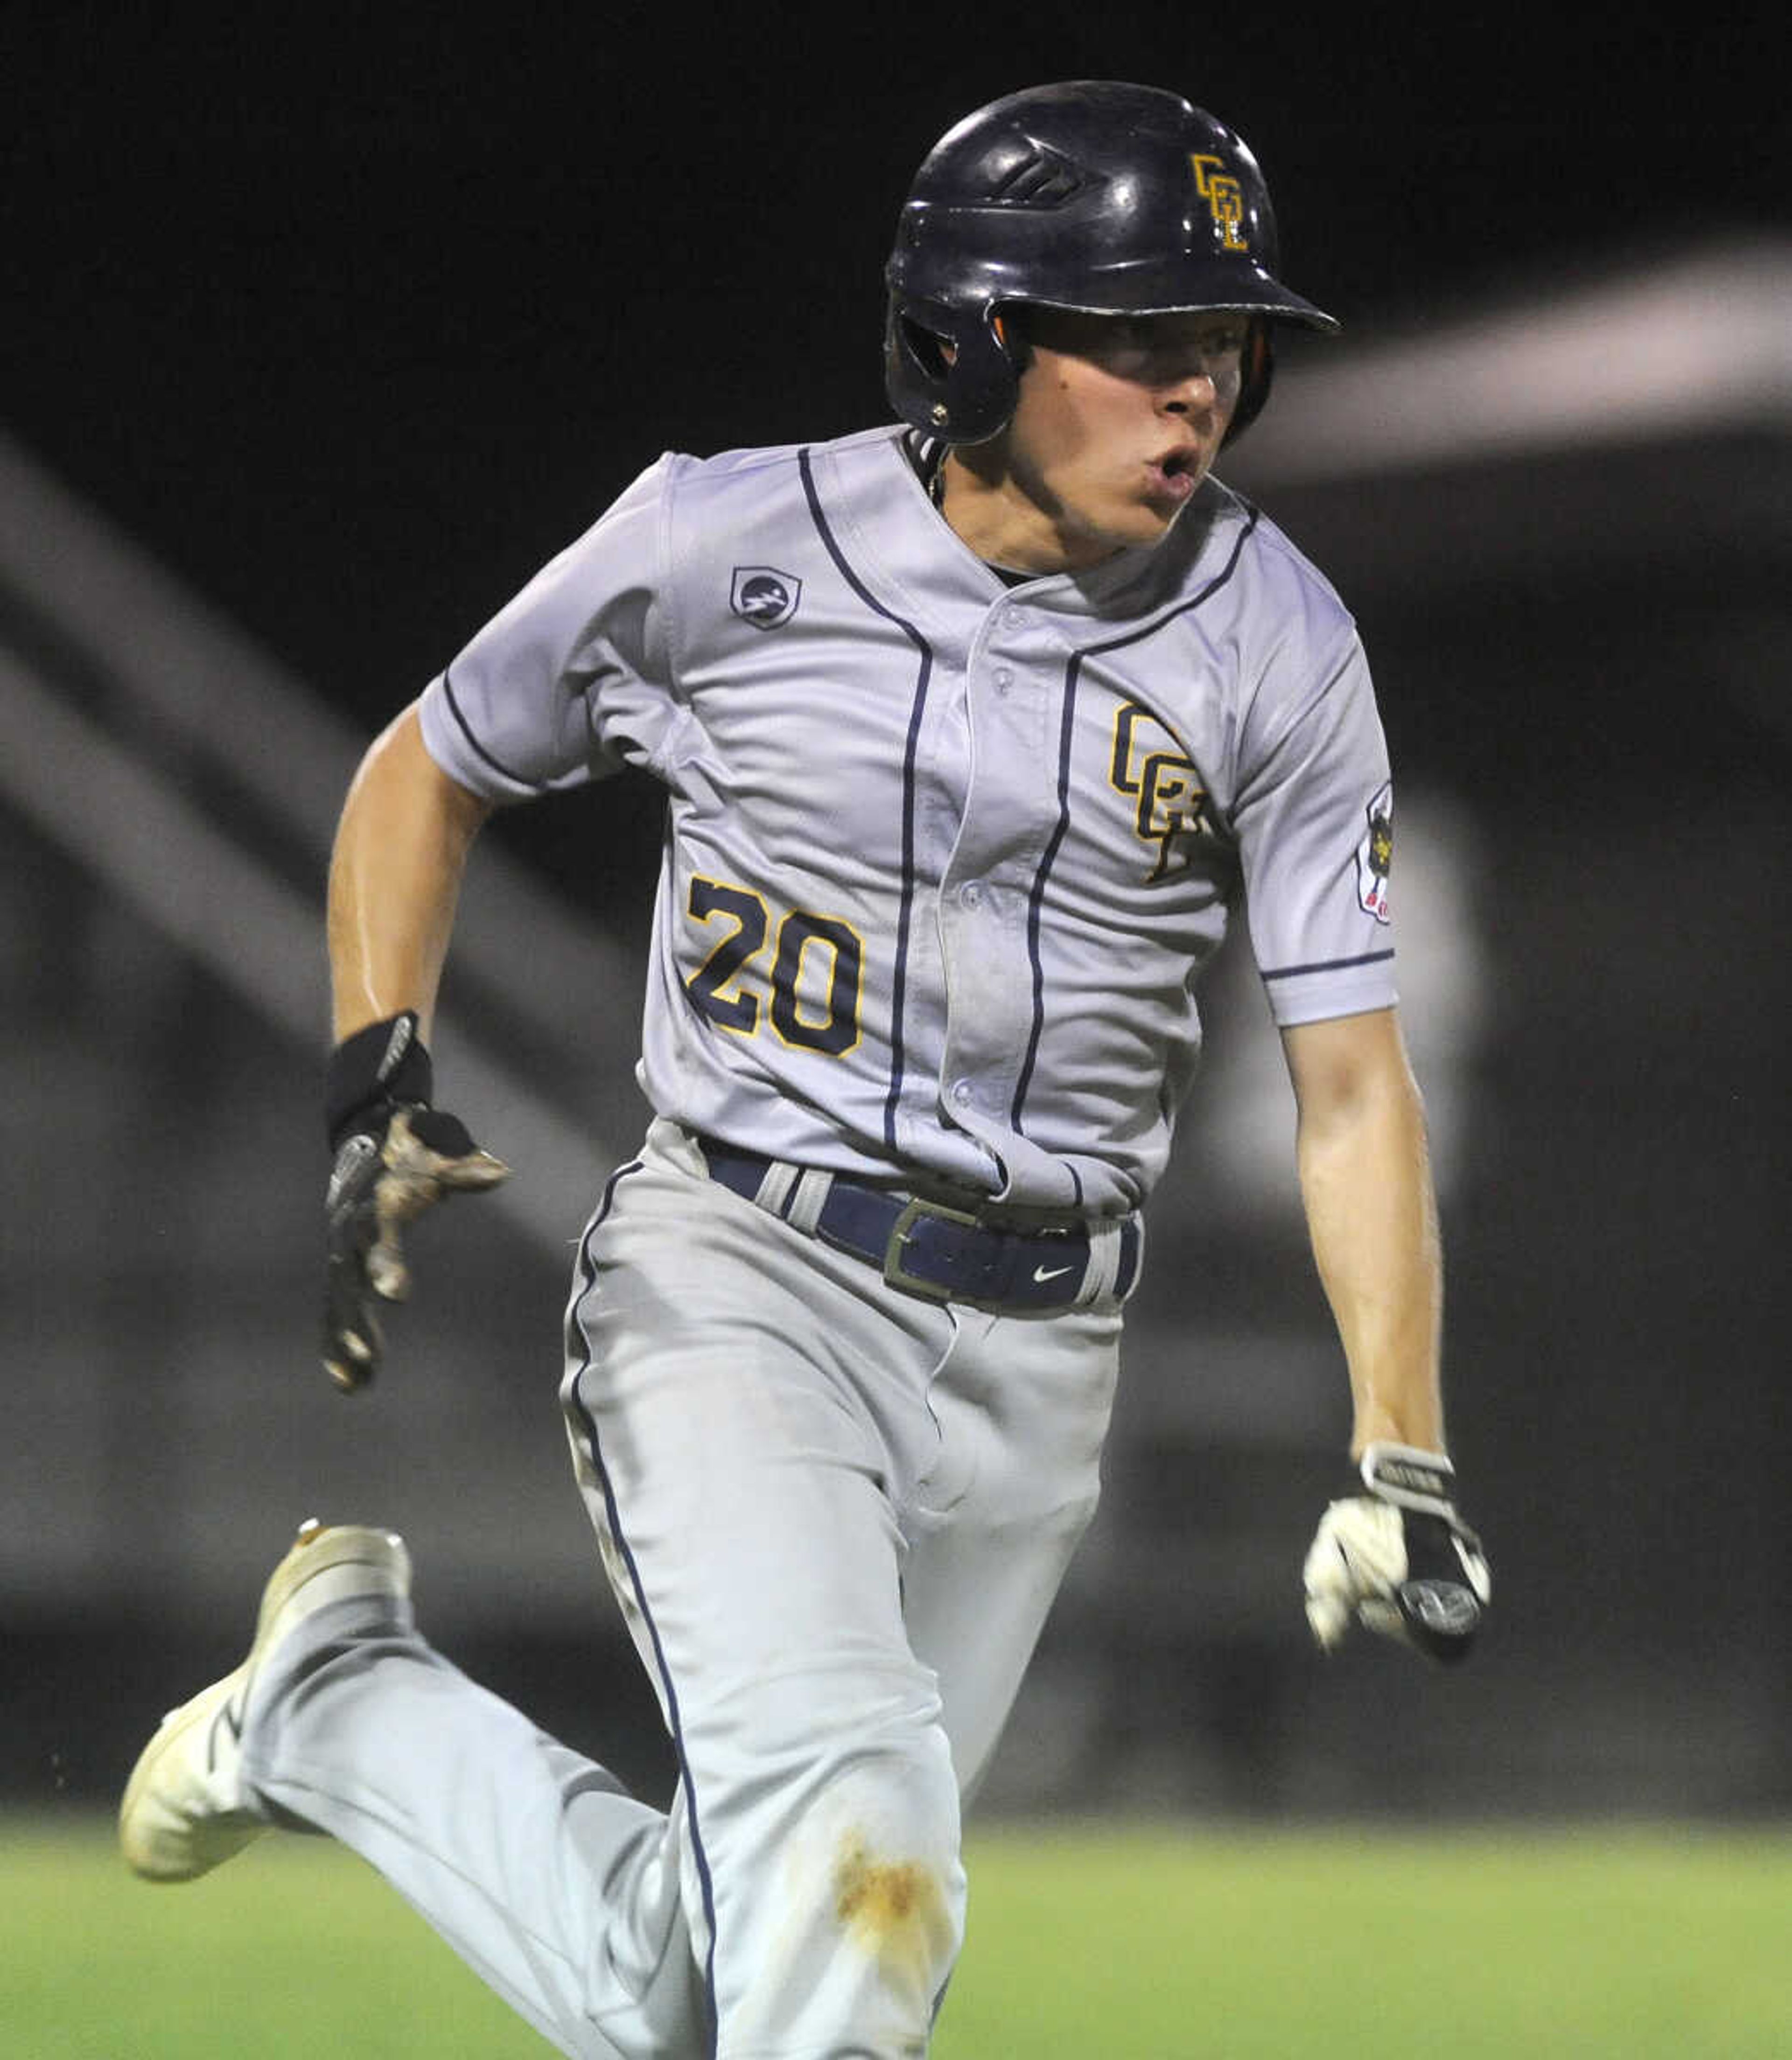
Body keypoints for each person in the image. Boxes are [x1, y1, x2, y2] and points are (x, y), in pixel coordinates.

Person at [119, 80, 1490, 2060]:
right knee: (869, 1876)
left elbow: (1353, 1086)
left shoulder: (1274, 639)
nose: (1199, 393)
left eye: (1222, 345)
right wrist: (375, 1073)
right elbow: (429, 768)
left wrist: (1404, 1452)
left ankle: (343, 1710)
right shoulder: (722, 543)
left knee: (719, 1971)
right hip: (744, 1286)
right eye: (1140, 342)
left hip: (1043, 1365)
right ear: (976, 339)